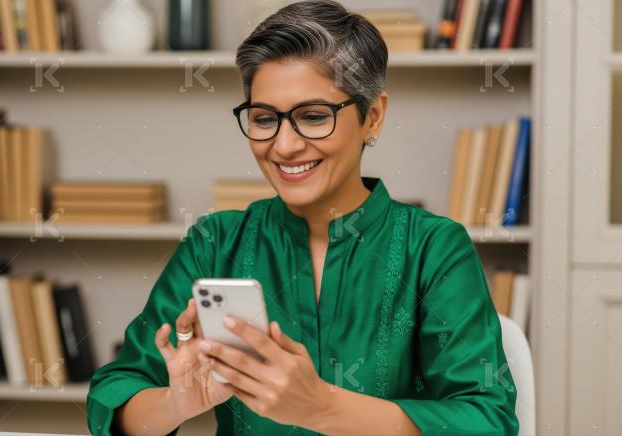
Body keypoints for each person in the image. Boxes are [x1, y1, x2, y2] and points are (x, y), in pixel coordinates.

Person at [86, 1, 519, 434]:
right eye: (264, 118)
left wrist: (322, 407)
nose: (284, 146)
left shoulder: (433, 249)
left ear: (373, 116)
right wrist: (175, 403)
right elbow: (115, 394)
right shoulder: (215, 243)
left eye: (313, 117)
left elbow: (487, 420)